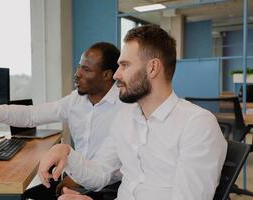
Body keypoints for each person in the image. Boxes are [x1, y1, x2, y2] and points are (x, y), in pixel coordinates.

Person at [38, 25, 228, 200]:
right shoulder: (126, 117)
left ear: (152, 68)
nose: (115, 75)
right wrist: (66, 153)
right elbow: (101, 172)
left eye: (125, 65)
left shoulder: (197, 125)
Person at [0, 42, 125, 199]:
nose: (77, 73)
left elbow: (104, 173)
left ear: (107, 75)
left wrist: (76, 177)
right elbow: (32, 115)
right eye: (79, 66)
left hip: (108, 187)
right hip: (78, 176)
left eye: (86, 69)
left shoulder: (125, 108)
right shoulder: (75, 101)